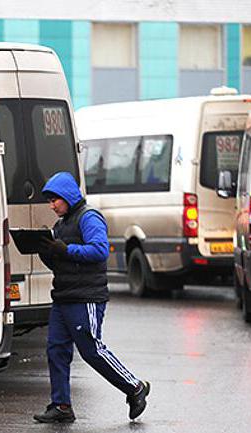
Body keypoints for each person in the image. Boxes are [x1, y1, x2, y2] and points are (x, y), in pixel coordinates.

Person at [33, 171, 150, 424]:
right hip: (63, 297)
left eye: (55, 200)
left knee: (91, 350)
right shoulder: (60, 225)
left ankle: (135, 387)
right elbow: (61, 262)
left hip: (85, 297)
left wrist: (65, 249)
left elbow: (99, 250)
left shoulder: (89, 217)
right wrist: (46, 251)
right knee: (56, 350)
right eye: (50, 201)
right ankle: (61, 406)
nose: (52, 206)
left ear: (67, 196)